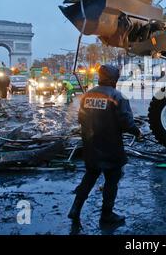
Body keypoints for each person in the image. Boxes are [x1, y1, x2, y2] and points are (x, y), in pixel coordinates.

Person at [68, 65, 141, 225]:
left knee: (89, 177)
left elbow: (81, 119)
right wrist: (137, 132)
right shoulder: (117, 97)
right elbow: (127, 123)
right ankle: (106, 214)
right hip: (111, 147)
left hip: (90, 145)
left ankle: (75, 208)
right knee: (111, 182)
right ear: (114, 79)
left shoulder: (87, 95)